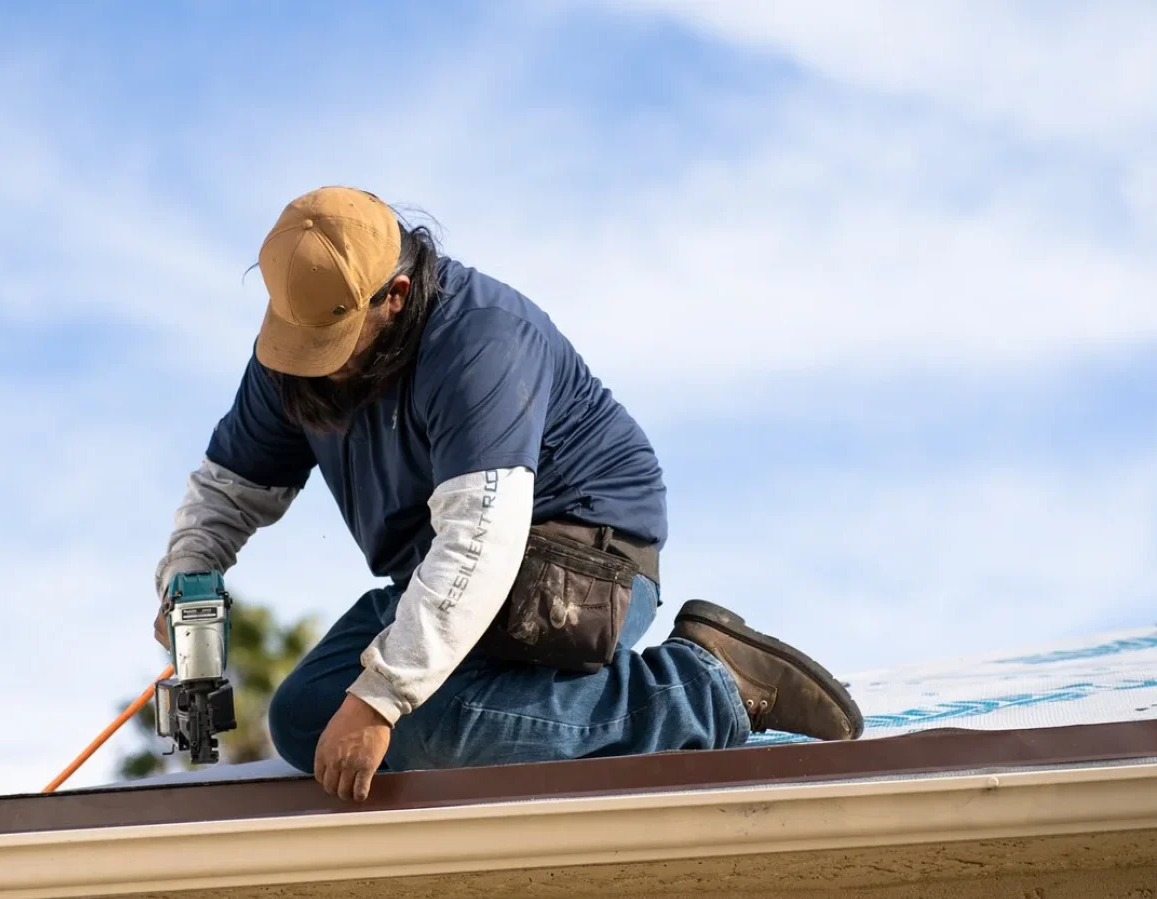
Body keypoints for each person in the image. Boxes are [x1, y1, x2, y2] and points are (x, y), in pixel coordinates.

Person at [155, 186, 863, 802]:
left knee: (424, 726)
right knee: (305, 717)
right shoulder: (294, 350)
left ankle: (705, 685)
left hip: (579, 559)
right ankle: (486, 713)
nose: (314, 366)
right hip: (445, 572)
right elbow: (226, 491)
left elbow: (480, 541)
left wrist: (381, 700)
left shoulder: (481, 341)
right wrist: (189, 581)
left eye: (333, 341)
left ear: (393, 296)